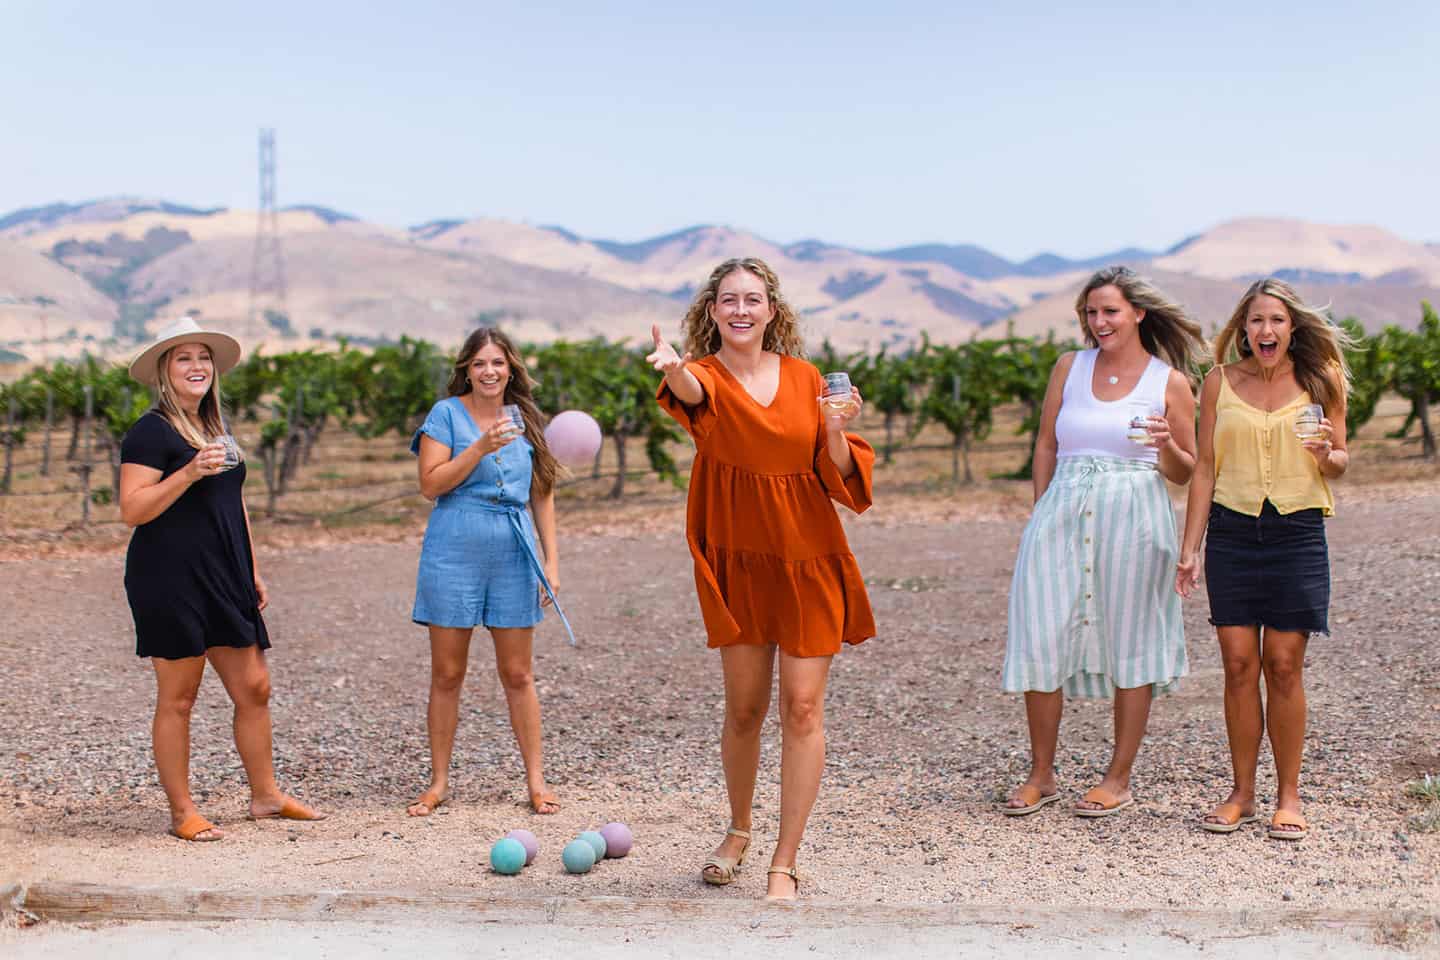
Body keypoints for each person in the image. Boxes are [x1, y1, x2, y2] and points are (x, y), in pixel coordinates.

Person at [649, 257, 875, 901]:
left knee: (802, 707)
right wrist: (673, 367)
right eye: (728, 301)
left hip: (807, 558)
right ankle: (739, 828)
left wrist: (835, 430)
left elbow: (836, 474)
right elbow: (695, 395)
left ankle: (785, 857)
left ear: (772, 310)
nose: (741, 310)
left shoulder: (807, 379)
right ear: (712, 312)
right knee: (744, 710)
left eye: (753, 299)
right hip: (740, 560)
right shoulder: (704, 375)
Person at [1001, 266, 1202, 819]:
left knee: (1132, 636)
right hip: (1062, 509)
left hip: (1135, 513)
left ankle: (1119, 776)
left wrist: (1164, 445)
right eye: (1091, 312)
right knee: (1041, 630)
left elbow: (1186, 471)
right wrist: (1041, 508)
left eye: (1109, 311)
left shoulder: (1169, 383)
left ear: (1138, 312)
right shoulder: (1070, 366)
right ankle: (1041, 773)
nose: (1099, 321)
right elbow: (1045, 444)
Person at [119, 316, 324, 842]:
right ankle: (182, 810)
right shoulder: (151, 430)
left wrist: (251, 567)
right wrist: (186, 473)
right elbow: (133, 509)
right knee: (179, 697)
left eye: (203, 357)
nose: (197, 366)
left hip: (224, 572)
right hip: (169, 576)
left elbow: (233, 503)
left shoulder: (214, 429)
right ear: (165, 370)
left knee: (255, 687)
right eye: (183, 357)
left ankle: (266, 796)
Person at [1176, 277, 1351, 841]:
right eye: (1255, 321)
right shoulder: (1218, 382)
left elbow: (1341, 461)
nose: (1265, 330)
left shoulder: (1321, 379)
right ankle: (1242, 792)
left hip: (1298, 532)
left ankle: (1289, 794)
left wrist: (1328, 454)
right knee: (1236, 665)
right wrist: (1190, 547)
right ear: (1243, 328)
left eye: (1275, 320)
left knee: (1282, 664)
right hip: (1231, 531)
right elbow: (1203, 467)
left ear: (1292, 326)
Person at [406, 327, 569, 818]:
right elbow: (430, 485)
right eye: (480, 364)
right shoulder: (446, 415)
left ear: (511, 368)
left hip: (513, 553)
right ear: (467, 370)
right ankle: (437, 782)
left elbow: (541, 491)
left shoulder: (527, 419)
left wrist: (552, 561)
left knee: (518, 673)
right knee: (448, 673)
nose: (490, 372)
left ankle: (537, 782)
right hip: (453, 548)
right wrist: (478, 447)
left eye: (498, 363)